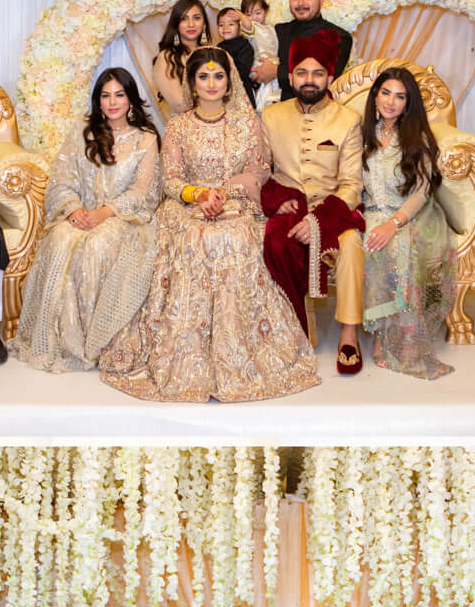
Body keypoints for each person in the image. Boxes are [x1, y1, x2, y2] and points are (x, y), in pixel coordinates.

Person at [99, 46, 320, 403]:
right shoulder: (179, 125)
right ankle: (186, 355)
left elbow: (259, 171)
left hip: (236, 203)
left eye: (218, 76)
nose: (212, 83)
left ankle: (237, 352)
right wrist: (200, 194)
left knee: (231, 238)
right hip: (188, 207)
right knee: (196, 238)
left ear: (228, 81)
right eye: (203, 76)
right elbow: (169, 181)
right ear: (192, 82)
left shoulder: (248, 122)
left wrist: (224, 192)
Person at [10, 66, 161, 373]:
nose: (112, 102)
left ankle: (94, 340)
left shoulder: (145, 139)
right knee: (61, 239)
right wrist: (73, 209)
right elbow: (62, 179)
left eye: (119, 94)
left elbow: (143, 192)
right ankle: (55, 340)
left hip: (124, 218)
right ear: (98, 100)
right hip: (82, 213)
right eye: (105, 96)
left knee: (96, 246)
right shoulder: (84, 133)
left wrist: (103, 213)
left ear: (131, 99)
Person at [260, 29, 367, 372]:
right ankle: (296, 328)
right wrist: (275, 200)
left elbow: (352, 184)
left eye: (318, 73)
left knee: (351, 246)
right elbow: (261, 169)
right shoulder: (271, 116)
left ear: (329, 76)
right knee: (276, 242)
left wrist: (319, 220)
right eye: (302, 72)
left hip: (334, 208)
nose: (309, 80)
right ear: (290, 76)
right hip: (289, 206)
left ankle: (348, 334)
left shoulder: (348, 120)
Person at [357, 66, 453, 379]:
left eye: (400, 96)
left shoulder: (416, 137)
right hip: (370, 211)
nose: (391, 102)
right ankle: (380, 333)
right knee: (372, 244)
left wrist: (393, 223)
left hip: (410, 213)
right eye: (386, 93)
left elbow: (422, 191)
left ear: (408, 103)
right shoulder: (361, 133)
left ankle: (403, 333)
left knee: (399, 246)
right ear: (375, 95)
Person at [272, 0, 354, 96]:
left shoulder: (339, 36)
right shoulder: (279, 31)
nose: (300, 3)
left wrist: (275, 72)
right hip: (278, 111)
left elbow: (321, 79)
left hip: (319, 113)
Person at [151, 0, 213, 118]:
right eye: (184, 19)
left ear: (204, 24)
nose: (191, 24)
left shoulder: (213, 54)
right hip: (187, 130)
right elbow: (180, 104)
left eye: (196, 18)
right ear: (176, 24)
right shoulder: (168, 58)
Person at [240, 0, 280, 107]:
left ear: (266, 11)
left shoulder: (270, 27)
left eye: (258, 13)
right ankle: (261, 110)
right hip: (259, 65)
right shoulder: (252, 28)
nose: (254, 17)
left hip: (273, 63)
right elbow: (247, 25)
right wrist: (241, 16)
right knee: (265, 95)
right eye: (249, 14)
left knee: (275, 92)